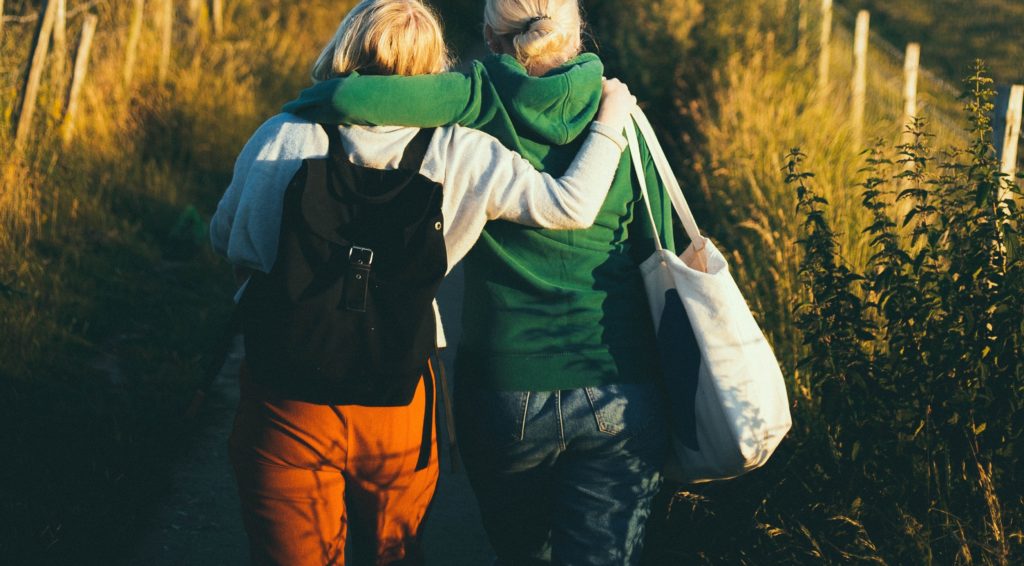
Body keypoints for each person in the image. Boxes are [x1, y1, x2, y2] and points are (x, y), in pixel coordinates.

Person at [209, 0, 638, 564]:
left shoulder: (282, 135)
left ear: (344, 45)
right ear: (436, 64)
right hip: (400, 394)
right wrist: (611, 118)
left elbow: (228, 239)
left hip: (286, 396)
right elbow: (569, 205)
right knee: (392, 552)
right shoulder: (463, 151)